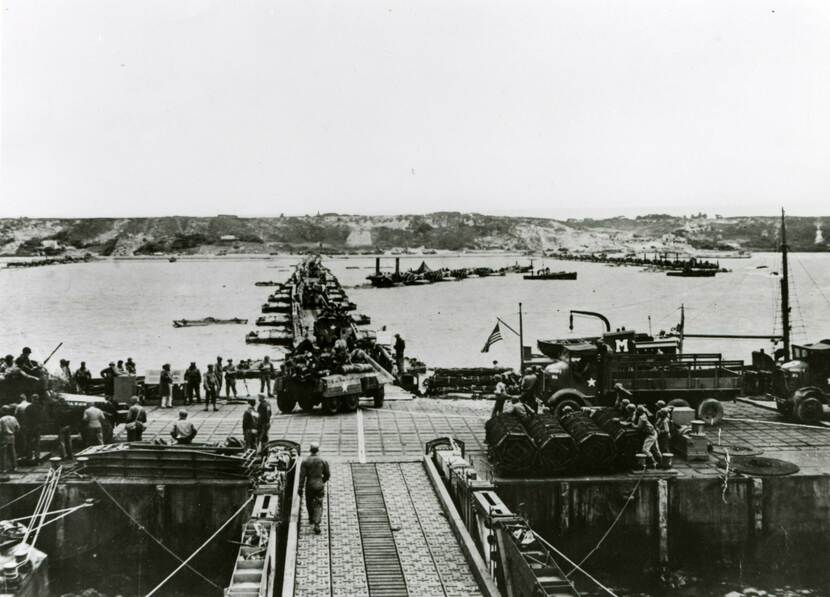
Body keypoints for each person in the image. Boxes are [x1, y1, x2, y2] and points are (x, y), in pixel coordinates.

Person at [298, 441, 330, 534]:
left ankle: (311, 518)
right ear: (318, 450)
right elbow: (327, 474)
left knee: (309, 502)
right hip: (319, 484)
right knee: (318, 504)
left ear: (310, 450)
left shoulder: (305, 461)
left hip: (310, 485)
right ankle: (317, 523)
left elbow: (302, 477)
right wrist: (322, 481)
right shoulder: (323, 460)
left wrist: (300, 488)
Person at [0, 405, 20, 473]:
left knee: (3, 453)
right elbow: (18, 427)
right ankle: (15, 467)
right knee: (12, 452)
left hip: (4, 437)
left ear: (3, 411)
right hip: (12, 436)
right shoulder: (13, 418)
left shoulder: (2, 419)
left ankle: (4, 468)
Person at [25, 394, 43, 463]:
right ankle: (37, 456)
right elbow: (42, 417)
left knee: (29, 442)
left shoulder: (28, 407)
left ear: (32, 399)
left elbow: (26, 418)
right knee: (37, 442)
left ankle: (29, 456)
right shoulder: (40, 407)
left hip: (31, 427)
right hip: (38, 426)